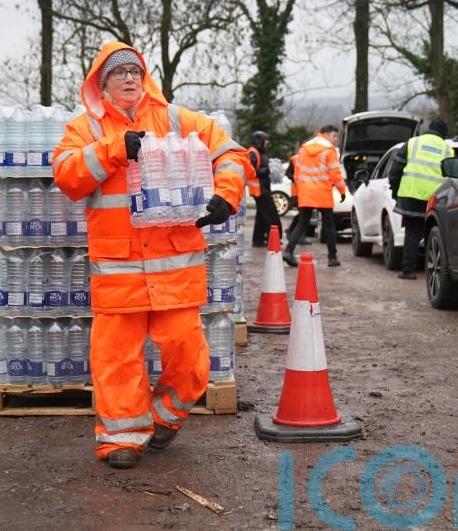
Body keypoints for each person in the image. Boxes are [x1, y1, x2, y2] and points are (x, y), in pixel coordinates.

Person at [52, 42, 251, 469]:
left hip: (175, 269)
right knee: (116, 359)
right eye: (118, 73)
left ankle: (165, 415)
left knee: (189, 353)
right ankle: (121, 439)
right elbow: (67, 177)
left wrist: (226, 194)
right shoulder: (85, 129)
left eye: (135, 72)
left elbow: (232, 153)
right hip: (118, 270)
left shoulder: (178, 120)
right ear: (100, 84)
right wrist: (113, 149)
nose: (128, 79)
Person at [388, 118, 454, 279]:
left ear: (429, 128)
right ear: (444, 133)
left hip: (412, 195)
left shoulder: (413, 143)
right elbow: (453, 177)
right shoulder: (448, 150)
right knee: (435, 233)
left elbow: (395, 169)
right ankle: (435, 270)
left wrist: (395, 190)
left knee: (413, 232)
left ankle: (408, 271)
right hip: (437, 199)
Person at [282, 125, 346, 268]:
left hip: (306, 192)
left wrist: (302, 188)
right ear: (327, 135)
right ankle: (332, 257)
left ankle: (288, 251)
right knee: (329, 225)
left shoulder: (304, 149)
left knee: (302, 222)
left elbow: (297, 173)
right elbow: (336, 173)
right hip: (322, 192)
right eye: (334, 136)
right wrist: (342, 191)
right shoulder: (329, 151)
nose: (335, 140)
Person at [247, 130, 282, 247]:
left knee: (262, 216)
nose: (267, 142)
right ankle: (274, 238)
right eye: (265, 140)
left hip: (264, 188)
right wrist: (267, 170)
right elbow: (250, 171)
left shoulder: (261, 152)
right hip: (259, 190)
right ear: (260, 141)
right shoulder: (252, 152)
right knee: (271, 215)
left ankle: (258, 240)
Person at [283, 148, 310, 245]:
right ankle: (299, 237)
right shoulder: (294, 159)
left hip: (306, 191)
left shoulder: (309, 159)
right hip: (297, 192)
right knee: (303, 216)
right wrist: (295, 179)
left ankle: (291, 231)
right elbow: (288, 173)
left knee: (302, 215)